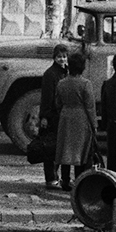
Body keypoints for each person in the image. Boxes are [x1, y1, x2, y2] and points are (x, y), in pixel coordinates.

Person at [53, 53, 101, 189]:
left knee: (65, 149)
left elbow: (57, 103)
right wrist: (94, 125)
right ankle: (79, 180)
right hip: (81, 118)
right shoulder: (86, 84)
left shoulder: (61, 83)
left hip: (65, 116)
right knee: (81, 152)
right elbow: (90, 107)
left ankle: (65, 180)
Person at [36, 44, 69, 186]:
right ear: (54, 57)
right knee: (50, 147)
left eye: (64, 56)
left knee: (58, 146)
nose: (62, 59)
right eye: (59, 57)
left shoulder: (65, 72)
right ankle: (51, 177)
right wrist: (44, 116)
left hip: (61, 114)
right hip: (53, 115)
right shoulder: (50, 74)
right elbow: (46, 97)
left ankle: (55, 176)